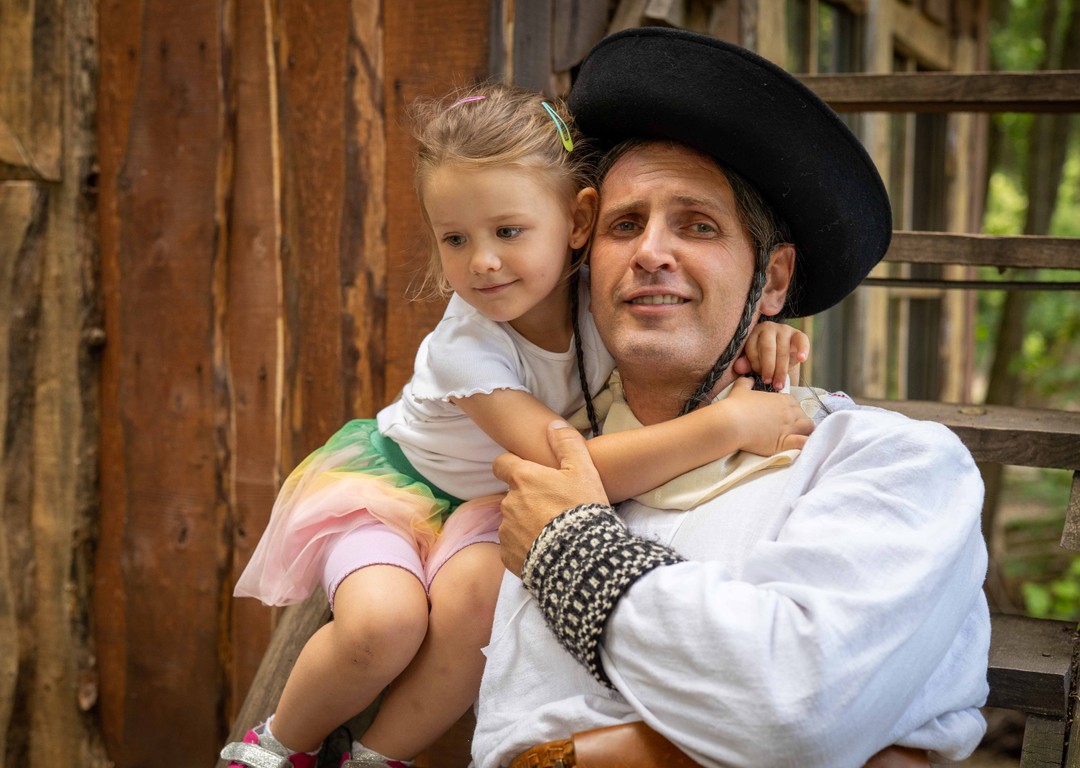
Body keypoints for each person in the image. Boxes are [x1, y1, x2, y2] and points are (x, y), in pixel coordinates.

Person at [220, 82, 815, 768]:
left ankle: (376, 758)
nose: (482, 261)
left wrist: (763, 331)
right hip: (397, 492)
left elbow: (690, 325)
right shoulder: (465, 347)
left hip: (485, 504)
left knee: (480, 614)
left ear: (579, 221)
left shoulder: (604, 299)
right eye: (455, 238)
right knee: (384, 623)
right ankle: (274, 747)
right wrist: (731, 424)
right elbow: (570, 469)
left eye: (508, 232)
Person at [472, 28, 990, 768]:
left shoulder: (891, 463)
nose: (651, 251)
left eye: (698, 225)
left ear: (772, 281)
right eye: (624, 225)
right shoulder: (549, 464)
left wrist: (573, 554)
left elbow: (796, 709)